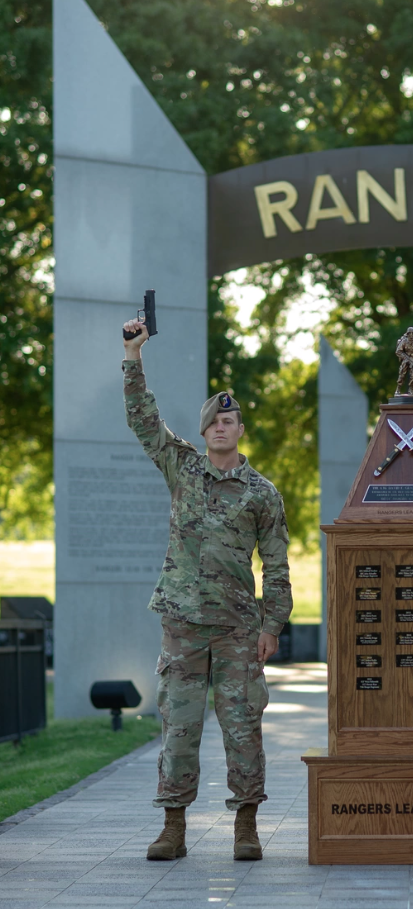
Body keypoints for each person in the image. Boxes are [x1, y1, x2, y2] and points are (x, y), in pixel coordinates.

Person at [122, 319, 293, 862]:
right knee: (179, 726)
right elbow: (143, 419)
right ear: (202, 432)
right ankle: (173, 826)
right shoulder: (182, 467)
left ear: (241, 429)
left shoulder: (262, 493)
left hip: (240, 629)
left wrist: (272, 625)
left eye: (230, 419)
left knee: (243, 728)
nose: (222, 426)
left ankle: (246, 825)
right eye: (213, 421)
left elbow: (278, 565)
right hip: (183, 625)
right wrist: (133, 355)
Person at [394, 327, 413, 396]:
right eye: (410, 333)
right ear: (408, 333)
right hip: (405, 360)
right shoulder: (404, 341)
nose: (411, 335)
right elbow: (398, 351)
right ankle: (398, 390)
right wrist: (406, 358)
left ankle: (411, 390)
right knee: (402, 375)